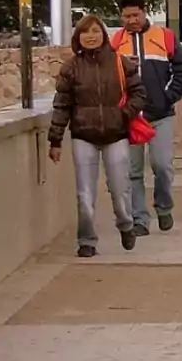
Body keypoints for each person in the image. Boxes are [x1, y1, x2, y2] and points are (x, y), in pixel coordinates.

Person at [49, 14, 148, 257]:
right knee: (85, 193)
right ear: (78, 37)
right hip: (83, 136)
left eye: (95, 31)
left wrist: (123, 115)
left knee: (119, 188)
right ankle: (87, 241)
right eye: (85, 32)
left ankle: (125, 224)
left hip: (116, 135)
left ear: (103, 35)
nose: (90, 36)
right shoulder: (70, 68)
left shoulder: (120, 63)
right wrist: (56, 139)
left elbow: (139, 94)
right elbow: (62, 105)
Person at [113, 0, 182, 236]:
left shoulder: (165, 37)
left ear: (144, 11)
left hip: (161, 115)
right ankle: (140, 219)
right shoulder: (115, 43)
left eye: (135, 14)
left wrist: (167, 97)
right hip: (130, 118)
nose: (131, 20)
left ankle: (164, 208)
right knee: (133, 171)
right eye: (126, 16)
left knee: (162, 165)